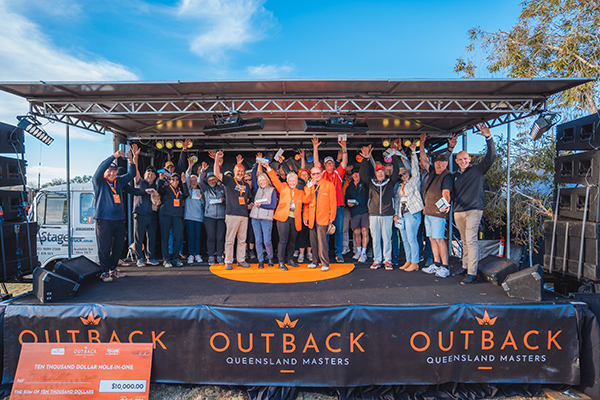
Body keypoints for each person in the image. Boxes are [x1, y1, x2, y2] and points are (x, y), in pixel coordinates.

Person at [452, 122, 496, 284]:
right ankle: (464, 266)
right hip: (459, 211)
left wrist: (488, 138)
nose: (463, 161)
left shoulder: (478, 169)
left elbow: (491, 157)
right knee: (464, 240)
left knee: (471, 240)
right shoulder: (456, 175)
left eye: (465, 158)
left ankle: (472, 272)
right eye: (460, 159)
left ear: (469, 159)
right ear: (456, 161)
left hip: (473, 210)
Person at [92, 146, 137, 282]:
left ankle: (113, 268)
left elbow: (131, 175)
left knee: (118, 246)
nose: (112, 174)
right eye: (110, 171)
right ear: (105, 173)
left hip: (118, 219)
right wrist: (114, 156)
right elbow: (99, 170)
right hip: (104, 220)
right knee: (105, 247)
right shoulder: (99, 182)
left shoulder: (118, 182)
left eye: (114, 171)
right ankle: (105, 271)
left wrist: (131, 161)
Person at [359, 143, 400, 270]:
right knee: (376, 239)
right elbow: (363, 174)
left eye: (382, 171)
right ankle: (377, 260)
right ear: (375, 173)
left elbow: (396, 171)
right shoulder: (371, 182)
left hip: (387, 214)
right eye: (378, 172)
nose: (381, 174)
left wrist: (394, 155)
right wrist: (366, 159)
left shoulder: (390, 181)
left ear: (385, 172)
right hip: (373, 213)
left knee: (387, 238)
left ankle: (388, 260)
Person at [265, 159, 307, 270]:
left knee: (292, 241)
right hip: (283, 218)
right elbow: (274, 179)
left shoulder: (300, 192)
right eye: (290, 180)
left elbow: (307, 199)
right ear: (287, 181)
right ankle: (281, 262)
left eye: (294, 180)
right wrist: (268, 168)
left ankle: (290, 260)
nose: (292, 182)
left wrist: (310, 186)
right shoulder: (283, 187)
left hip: (295, 218)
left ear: (297, 181)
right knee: (283, 240)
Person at [214, 151, 252, 270]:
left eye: (242, 171)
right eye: (238, 171)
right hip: (231, 215)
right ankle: (228, 261)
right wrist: (216, 158)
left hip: (244, 215)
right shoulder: (229, 181)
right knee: (230, 240)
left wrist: (249, 205)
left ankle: (241, 259)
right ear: (234, 172)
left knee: (242, 240)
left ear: (244, 173)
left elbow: (247, 199)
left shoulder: (246, 185)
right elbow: (216, 173)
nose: (240, 173)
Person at [312, 137, 348, 263]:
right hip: (324, 209)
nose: (329, 165)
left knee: (338, 231)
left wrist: (344, 148)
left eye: (331, 163)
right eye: (327, 163)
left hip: (337, 207)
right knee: (325, 232)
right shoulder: (322, 174)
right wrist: (315, 147)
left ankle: (339, 254)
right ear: (325, 165)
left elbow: (344, 162)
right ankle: (325, 254)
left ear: (333, 164)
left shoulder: (338, 173)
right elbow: (316, 163)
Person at [420, 141, 453, 278]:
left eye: (441, 162)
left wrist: (445, 204)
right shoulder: (433, 172)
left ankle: (445, 267)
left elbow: (446, 193)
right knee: (432, 239)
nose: (439, 164)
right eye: (437, 162)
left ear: (446, 164)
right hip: (428, 211)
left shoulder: (447, 176)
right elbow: (423, 159)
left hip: (438, 213)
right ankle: (436, 264)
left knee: (439, 239)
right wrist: (421, 144)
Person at [394, 142, 423, 272]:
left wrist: (413, 153)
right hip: (402, 214)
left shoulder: (414, 182)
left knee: (412, 238)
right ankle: (409, 260)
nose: (403, 175)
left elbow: (415, 169)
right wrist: (396, 214)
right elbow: (397, 201)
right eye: (401, 175)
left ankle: (415, 262)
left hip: (412, 213)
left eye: (405, 173)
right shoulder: (400, 187)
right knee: (404, 239)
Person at [303, 167, 337, 271]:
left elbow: (333, 202)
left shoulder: (329, 185)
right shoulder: (309, 186)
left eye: (317, 173)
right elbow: (306, 202)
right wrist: (305, 217)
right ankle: (315, 261)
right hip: (312, 218)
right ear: (311, 175)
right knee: (313, 241)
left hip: (323, 217)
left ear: (321, 174)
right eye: (313, 174)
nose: (315, 176)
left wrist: (332, 217)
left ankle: (325, 263)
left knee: (322, 242)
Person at [250, 159, 278, 269]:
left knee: (267, 241)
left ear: (267, 180)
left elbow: (273, 206)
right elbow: (253, 174)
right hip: (255, 218)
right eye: (260, 180)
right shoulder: (257, 189)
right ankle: (260, 260)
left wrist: (260, 205)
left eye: (263, 180)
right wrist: (257, 162)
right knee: (258, 241)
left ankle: (270, 257)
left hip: (266, 218)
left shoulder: (272, 190)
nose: (262, 182)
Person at [157, 171, 189, 268]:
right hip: (165, 215)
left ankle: (176, 258)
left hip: (177, 216)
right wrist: (161, 180)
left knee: (179, 237)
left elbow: (187, 194)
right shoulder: (165, 189)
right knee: (165, 237)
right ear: (170, 181)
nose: (175, 181)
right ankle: (166, 259)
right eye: (173, 179)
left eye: (176, 179)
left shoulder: (180, 190)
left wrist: (184, 182)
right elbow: (159, 190)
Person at [132, 161, 160, 267]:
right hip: (140, 214)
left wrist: (157, 200)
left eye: (152, 174)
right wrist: (135, 157)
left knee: (152, 238)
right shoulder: (139, 182)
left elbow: (158, 202)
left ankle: (151, 258)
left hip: (152, 215)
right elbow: (135, 170)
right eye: (148, 173)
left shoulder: (157, 186)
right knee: (139, 238)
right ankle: (139, 258)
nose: (150, 175)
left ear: (155, 177)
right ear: (144, 175)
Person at [198, 162, 226, 265]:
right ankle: (210, 256)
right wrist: (202, 171)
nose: (212, 181)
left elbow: (228, 199)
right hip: (209, 217)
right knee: (211, 237)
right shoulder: (205, 189)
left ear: (217, 179)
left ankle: (219, 256)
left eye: (213, 179)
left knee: (220, 237)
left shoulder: (222, 188)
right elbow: (199, 181)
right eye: (209, 180)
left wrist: (224, 200)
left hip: (221, 217)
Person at [344, 165, 369, 263]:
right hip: (354, 211)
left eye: (357, 173)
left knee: (365, 232)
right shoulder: (349, 186)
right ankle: (358, 251)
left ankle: (364, 252)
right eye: (354, 174)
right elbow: (346, 198)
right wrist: (348, 203)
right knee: (356, 232)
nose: (355, 175)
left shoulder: (365, 184)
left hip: (365, 211)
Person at [184, 156, 205, 264]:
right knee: (191, 236)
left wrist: (202, 199)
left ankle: (197, 254)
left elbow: (203, 205)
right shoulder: (188, 191)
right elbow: (187, 177)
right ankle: (190, 255)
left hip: (199, 217)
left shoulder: (201, 191)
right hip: (189, 217)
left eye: (195, 180)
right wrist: (190, 166)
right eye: (192, 180)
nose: (193, 182)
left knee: (198, 236)